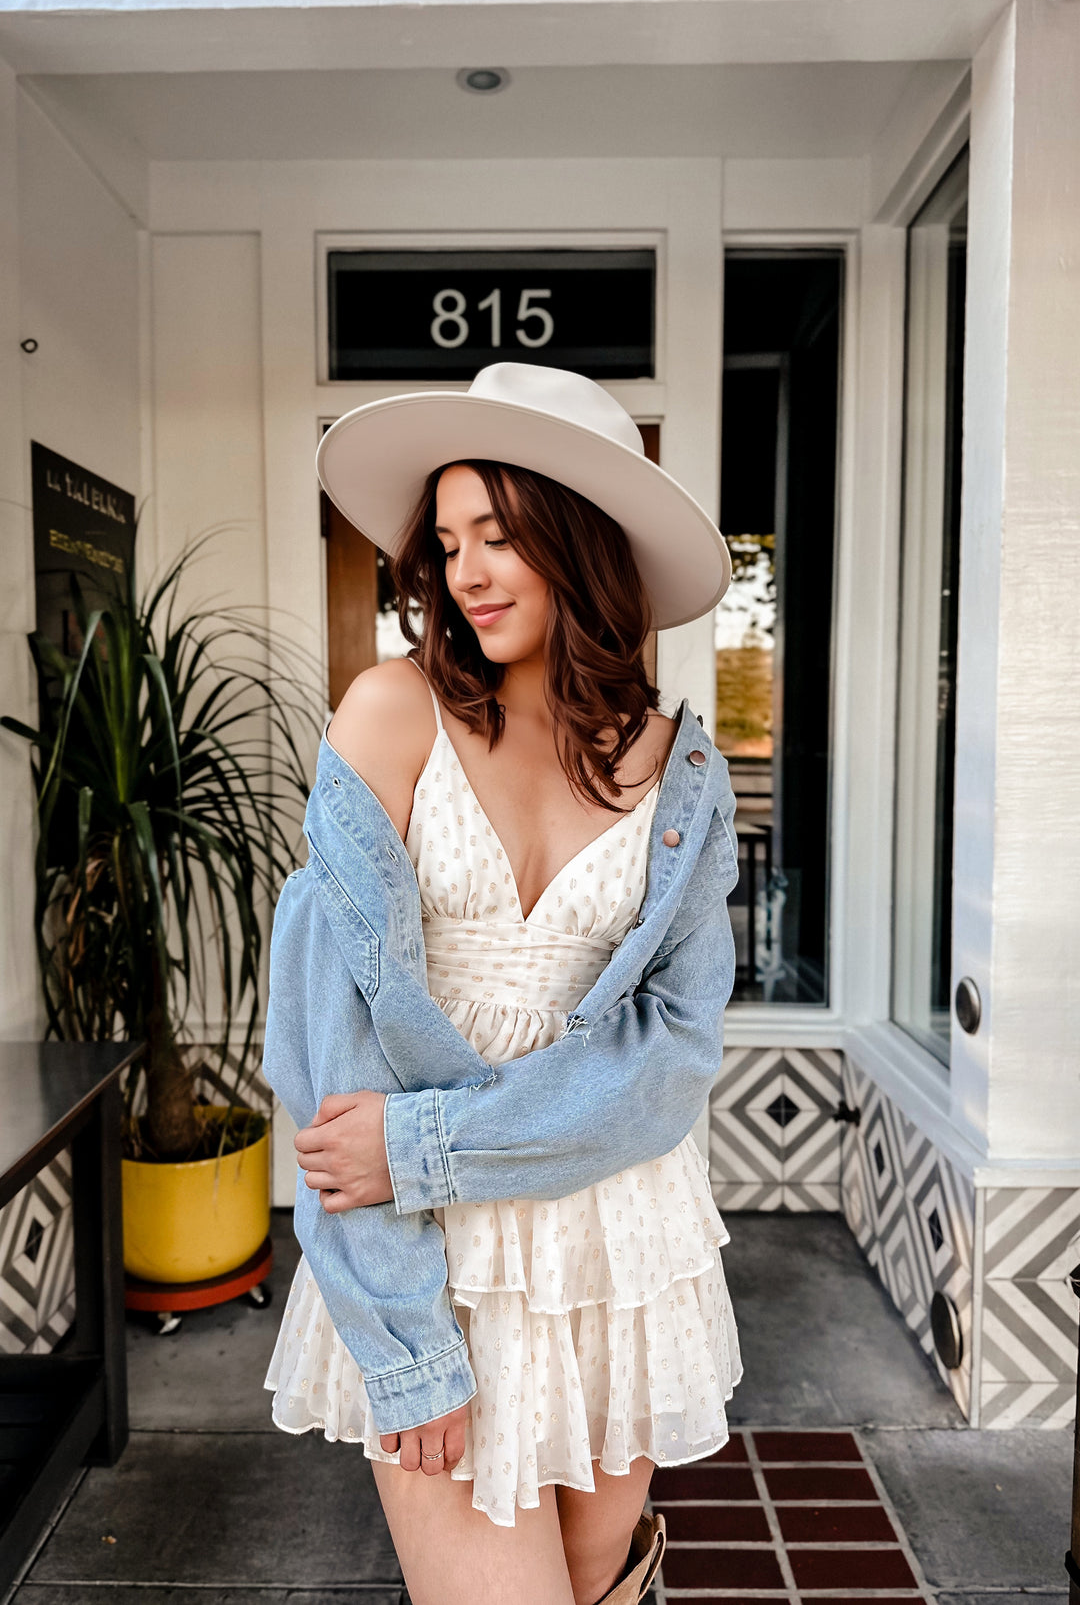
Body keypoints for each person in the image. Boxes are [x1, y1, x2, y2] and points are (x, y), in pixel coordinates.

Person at [261, 363, 743, 1605]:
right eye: (448, 541)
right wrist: (408, 1346)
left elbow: (673, 1059)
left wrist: (420, 1143)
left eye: (500, 535)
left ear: (580, 544)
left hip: (619, 1244)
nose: (465, 571)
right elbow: (328, 1067)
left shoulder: (683, 780)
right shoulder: (390, 716)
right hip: (436, 1262)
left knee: (603, 1588)